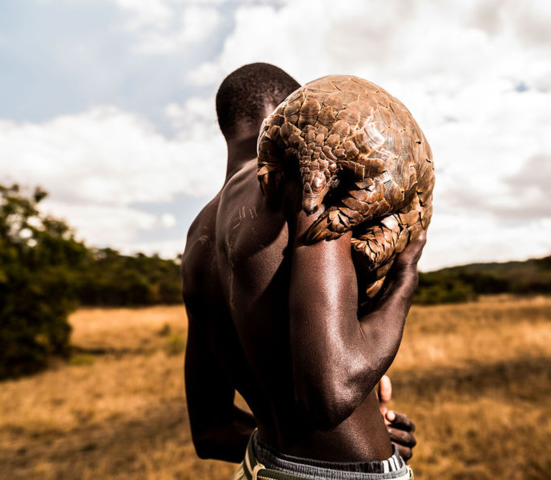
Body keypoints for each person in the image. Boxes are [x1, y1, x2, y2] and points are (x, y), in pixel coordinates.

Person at [181, 63, 426, 480]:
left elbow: (212, 430)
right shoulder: (302, 173)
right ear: (292, 109)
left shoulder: (197, 238)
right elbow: (333, 392)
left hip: (260, 467)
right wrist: (406, 277)